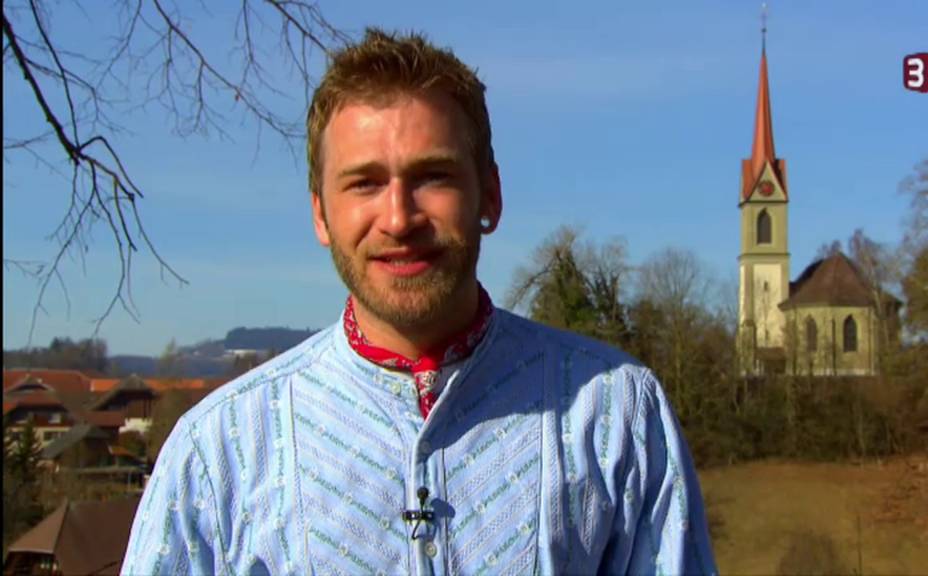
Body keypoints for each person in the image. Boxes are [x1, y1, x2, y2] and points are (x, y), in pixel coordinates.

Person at [122, 28, 718, 576]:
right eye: (364, 183)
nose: (398, 218)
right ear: (320, 214)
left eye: (433, 177)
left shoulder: (614, 414)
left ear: (490, 196)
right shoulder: (219, 451)